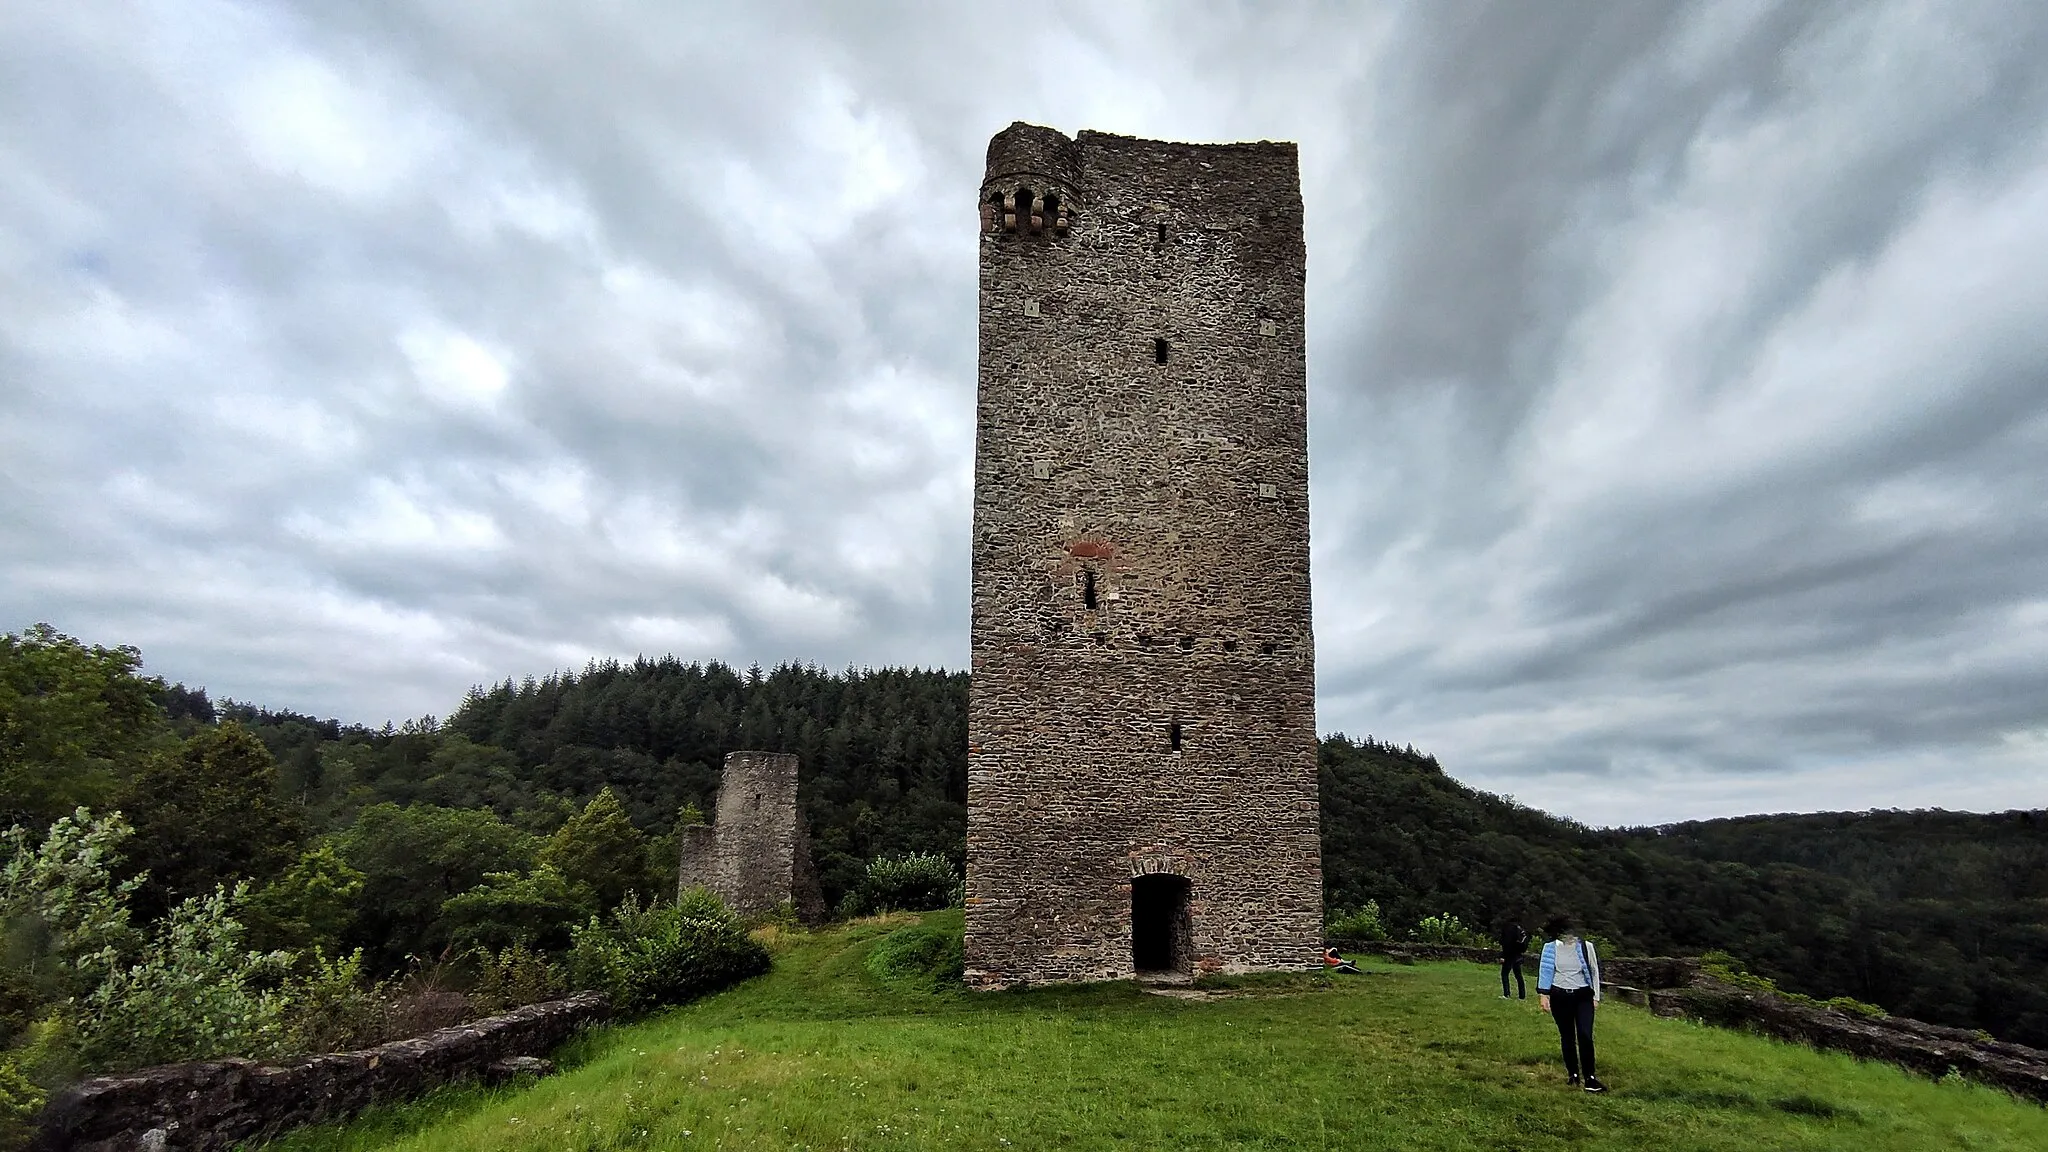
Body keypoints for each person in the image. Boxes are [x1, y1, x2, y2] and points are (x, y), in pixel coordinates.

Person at [1537, 914, 1606, 1092]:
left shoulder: (1586, 947)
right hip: (1560, 995)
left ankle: (1590, 1078)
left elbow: (1594, 971)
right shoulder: (1550, 949)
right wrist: (1544, 995)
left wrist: (1595, 997)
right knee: (1567, 1036)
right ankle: (1573, 1074)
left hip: (1583, 996)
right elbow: (1546, 970)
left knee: (1585, 1035)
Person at [1497, 917, 1530, 999]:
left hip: (1509, 955)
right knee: (1518, 975)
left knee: (1504, 974)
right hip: (1518, 954)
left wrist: (1503, 956)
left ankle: (1506, 994)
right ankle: (1522, 995)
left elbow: (1507, 943)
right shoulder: (1519, 929)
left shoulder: (1508, 928)